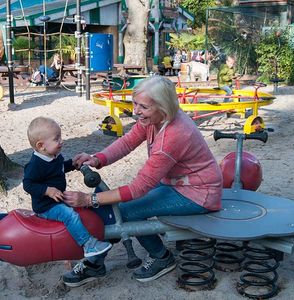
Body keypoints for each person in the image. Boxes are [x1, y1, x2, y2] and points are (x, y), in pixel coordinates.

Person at [62, 76, 223, 287]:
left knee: (127, 211)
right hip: (175, 182)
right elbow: (128, 142)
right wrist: (97, 158)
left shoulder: (172, 136)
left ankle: (161, 257)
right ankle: (95, 262)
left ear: (163, 107)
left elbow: (139, 188)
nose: (136, 110)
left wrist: (89, 199)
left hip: (198, 192)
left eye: (143, 106)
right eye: (134, 103)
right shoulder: (154, 119)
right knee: (115, 207)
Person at [23, 117, 112, 260]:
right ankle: (88, 244)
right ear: (41, 146)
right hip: (46, 206)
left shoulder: (53, 156)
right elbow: (28, 184)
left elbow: (59, 168)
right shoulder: (35, 165)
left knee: (82, 206)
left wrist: (73, 164)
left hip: (58, 199)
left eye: (60, 137)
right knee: (69, 215)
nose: (61, 141)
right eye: (56, 139)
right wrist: (47, 190)